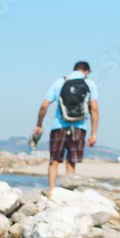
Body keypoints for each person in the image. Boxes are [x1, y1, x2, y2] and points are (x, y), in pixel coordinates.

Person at [33, 61, 100, 191]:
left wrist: (39, 124)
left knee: (54, 160)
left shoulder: (60, 82)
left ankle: (52, 189)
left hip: (58, 125)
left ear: (73, 69)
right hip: (79, 127)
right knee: (71, 160)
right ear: (87, 72)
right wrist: (94, 133)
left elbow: (44, 105)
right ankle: (69, 190)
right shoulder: (90, 84)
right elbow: (94, 109)